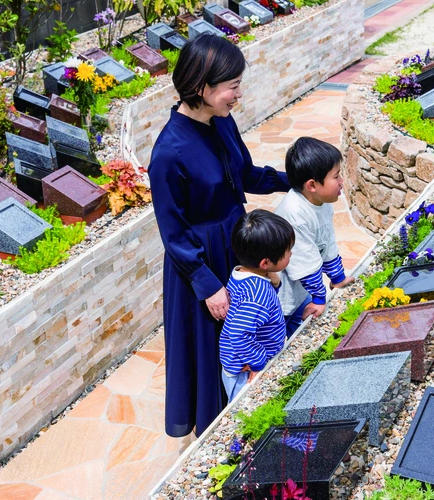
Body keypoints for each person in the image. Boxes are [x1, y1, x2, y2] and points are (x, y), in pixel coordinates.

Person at [148, 34, 290, 438]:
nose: (238, 95)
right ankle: (219, 435)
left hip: (235, 243)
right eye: (232, 86)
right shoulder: (168, 154)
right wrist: (208, 286)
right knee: (211, 348)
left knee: (247, 334)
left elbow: (243, 175)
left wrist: (292, 180)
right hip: (199, 262)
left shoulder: (222, 122)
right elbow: (172, 232)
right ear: (201, 88)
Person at [275, 137, 355, 337]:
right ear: (312, 185)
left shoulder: (322, 201)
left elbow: (327, 241)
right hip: (282, 299)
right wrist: (319, 298)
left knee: (302, 330)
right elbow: (304, 260)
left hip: (301, 291)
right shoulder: (295, 213)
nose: (341, 181)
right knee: (282, 343)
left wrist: (337, 277)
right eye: (336, 176)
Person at [219, 210, 294, 400]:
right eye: (287, 252)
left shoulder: (241, 273)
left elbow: (258, 313)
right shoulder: (256, 294)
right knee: (244, 411)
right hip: (245, 371)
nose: (291, 254)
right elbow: (239, 332)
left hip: (242, 362)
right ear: (265, 263)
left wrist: (274, 285)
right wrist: (258, 363)